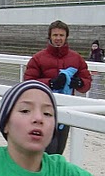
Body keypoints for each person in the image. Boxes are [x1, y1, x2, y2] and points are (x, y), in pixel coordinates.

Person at [23, 20, 92, 155]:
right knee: (46, 149)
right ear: (50, 36)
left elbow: (87, 83)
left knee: (58, 150)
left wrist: (79, 83)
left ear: (66, 37)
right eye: (55, 35)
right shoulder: (38, 58)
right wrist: (50, 83)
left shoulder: (76, 58)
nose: (58, 38)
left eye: (61, 35)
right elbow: (28, 82)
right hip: (42, 110)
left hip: (65, 109)